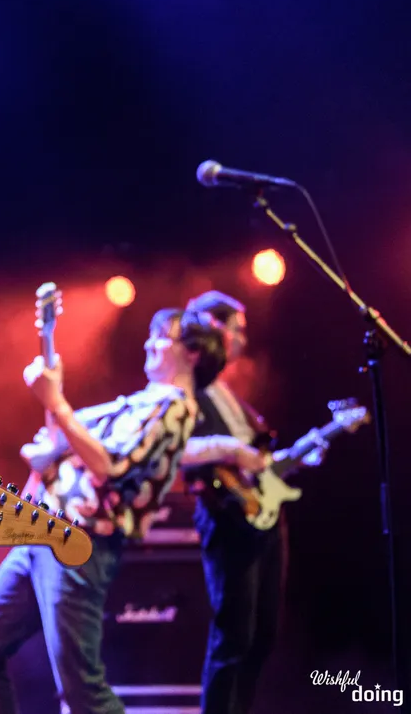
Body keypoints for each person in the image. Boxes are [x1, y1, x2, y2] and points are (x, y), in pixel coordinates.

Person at [0, 308, 236, 714]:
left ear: (192, 354)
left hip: (78, 542)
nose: (149, 343)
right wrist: (52, 395)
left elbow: (110, 466)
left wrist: (56, 401)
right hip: (40, 529)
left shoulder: (175, 407)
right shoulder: (137, 404)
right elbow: (63, 439)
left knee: (81, 689)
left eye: (161, 337)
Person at [182, 290, 313, 714]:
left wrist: (296, 455)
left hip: (262, 515)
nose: (242, 339)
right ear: (213, 328)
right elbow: (183, 450)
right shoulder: (189, 388)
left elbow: (257, 462)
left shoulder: (227, 393)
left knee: (262, 635)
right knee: (234, 634)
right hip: (228, 516)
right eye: (237, 329)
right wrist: (233, 451)